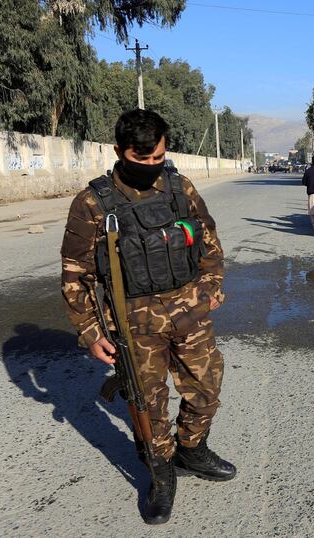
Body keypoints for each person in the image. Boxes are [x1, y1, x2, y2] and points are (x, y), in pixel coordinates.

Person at [60, 109, 235, 525]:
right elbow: (75, 274)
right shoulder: (93, 202)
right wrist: (89, 331)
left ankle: (192, 449)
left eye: (158, 157)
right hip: (133, 324)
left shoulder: (180, 187)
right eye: (142, 160)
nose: (152, 167)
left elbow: (208, 241)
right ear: (119, 151)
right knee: (148, 404)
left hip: (190, 312)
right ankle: (161, 474)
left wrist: (210, 289)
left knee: (206, 387)